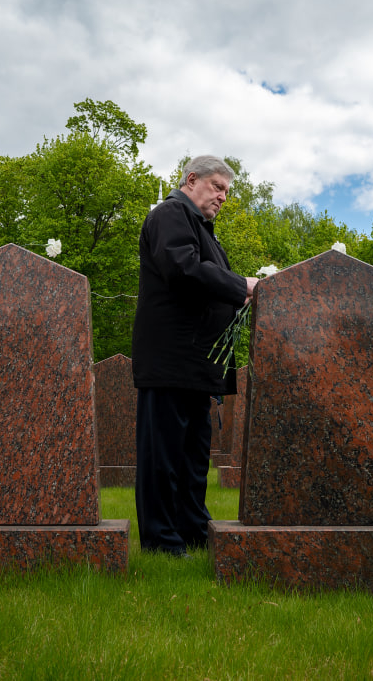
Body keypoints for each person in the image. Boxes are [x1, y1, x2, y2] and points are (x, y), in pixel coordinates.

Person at [132, 155, 257, 557]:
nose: (223, 196)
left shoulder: (204, 229)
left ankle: (192, 529)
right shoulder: (171, 213)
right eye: (217, 186)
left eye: (227, 191)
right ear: (191, 179)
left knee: (192, 457)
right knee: (164, 455)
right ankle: (161, 540)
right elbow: (182, 269)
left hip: (197, 363)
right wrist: (242, 285)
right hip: (171, 359)